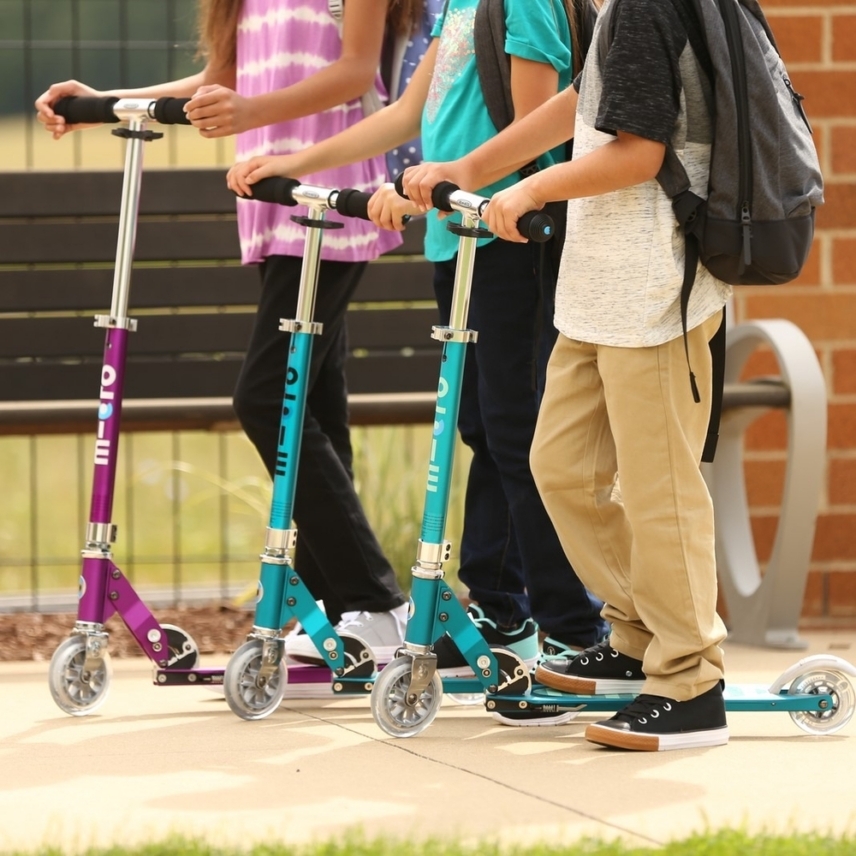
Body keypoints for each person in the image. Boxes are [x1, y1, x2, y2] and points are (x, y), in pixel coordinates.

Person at [226, 0, 610, 725]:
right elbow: (409, 115)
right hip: (458, 242)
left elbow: (537, 137)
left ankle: (575, 633)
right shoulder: (460, 8)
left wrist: (455, 182)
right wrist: (299, 162)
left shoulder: (521, 3)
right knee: (485, 432)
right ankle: (501, 615)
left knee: (519, 433)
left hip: (511, 242)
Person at [34, 0, 427, 664]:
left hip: (326, 194)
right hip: (270, 200)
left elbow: (356, 73)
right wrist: (101, 101)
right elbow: (222, 79)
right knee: (314, 406)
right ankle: (343, 609)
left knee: (268, 395)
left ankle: (379, 605)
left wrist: (251, 117)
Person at [404, 0, 732, 750]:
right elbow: (582, 102)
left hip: (655, 286)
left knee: (659, 486)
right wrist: (473, 169)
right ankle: (638, 636)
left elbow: (640, 151)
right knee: (561, 469)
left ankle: (690, 679)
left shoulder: (649, 7)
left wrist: (533, 188)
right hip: (597, 286)